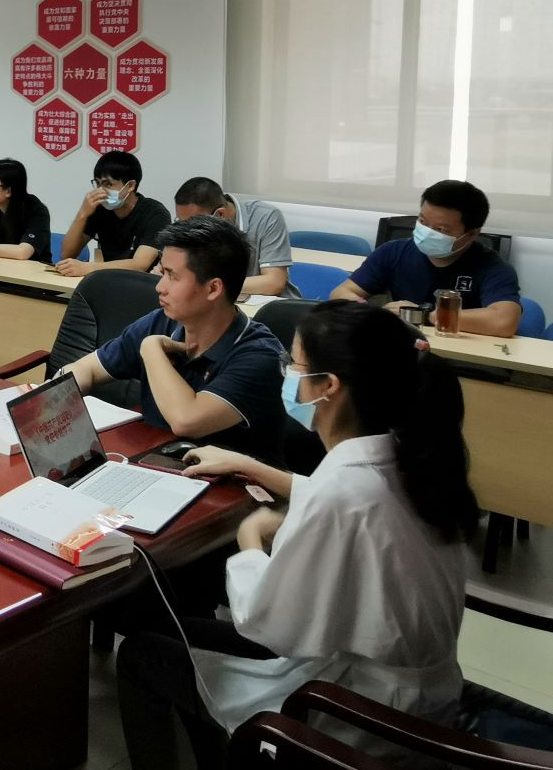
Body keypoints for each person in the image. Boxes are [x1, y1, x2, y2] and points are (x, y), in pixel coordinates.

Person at [116, 301, 479, 770]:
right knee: (169, 629)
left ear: (329, 386)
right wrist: (252, 468)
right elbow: (357, 506)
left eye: (296, 365)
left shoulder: (345, 490)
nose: (287, 374)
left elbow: (271, 625)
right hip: (417, 685)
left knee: (142, 654)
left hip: (363, 714)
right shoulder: (412, 457)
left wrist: (249, 542)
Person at [61, 216, 286, 461]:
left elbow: (186, 421)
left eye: (172, 276)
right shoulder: (162, 321)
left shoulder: (260, 355)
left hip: (231, 488)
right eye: (162, 272)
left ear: (213, 289)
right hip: (157, 463)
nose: (159, 286)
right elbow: (87, 368)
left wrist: (151, 349)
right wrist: (56, 398)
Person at [331, 180, 521, 338]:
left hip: (461, 359)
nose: (427, 232)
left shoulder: (493, 267)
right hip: (402, 350)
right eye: (422, 222)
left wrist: (424, 316)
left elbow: (503, 321)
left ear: (472, 234)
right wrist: (376, 313)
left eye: (440, 230)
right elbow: (341, 293)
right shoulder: (393, 251)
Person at [172, 177, 296, 297]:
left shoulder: (266, 218)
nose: (187, 229)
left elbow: (273, 283)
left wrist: (210, 286)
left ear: (219, 214)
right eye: (182, 222)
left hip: (270, 309)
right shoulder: (193, 228)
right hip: (220, 304)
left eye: (193, 224)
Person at [56, 150, 171, 277]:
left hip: (145, 285)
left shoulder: (155, 213)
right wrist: (82, 214)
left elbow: (140, 264)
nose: (101, 191)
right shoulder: (100, 209)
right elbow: (66, 254)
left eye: (108, 184)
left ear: (131, 185)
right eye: (98, 183)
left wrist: (88, 267)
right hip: (111, 281)